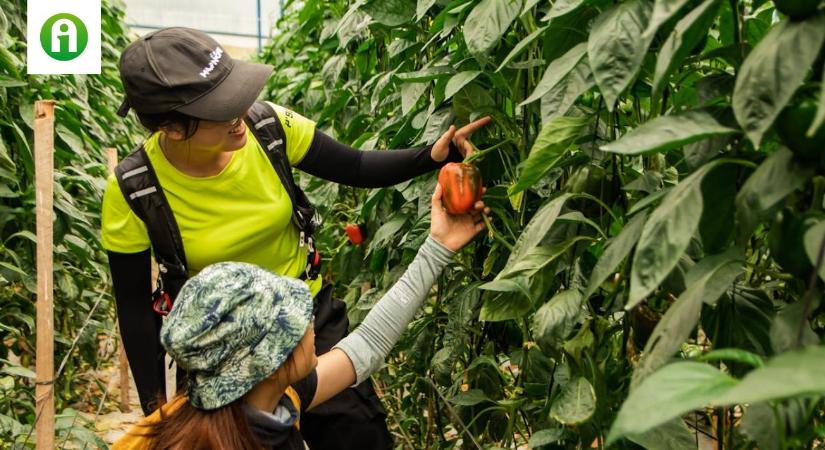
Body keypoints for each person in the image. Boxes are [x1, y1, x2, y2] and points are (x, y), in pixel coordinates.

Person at [103, 27, 490, 450]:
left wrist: (432, 158)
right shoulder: (135, 187)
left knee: (355, 432)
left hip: (305, 316)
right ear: (173, 129)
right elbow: (136, 308)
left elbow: (355, 166)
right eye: (223, 107)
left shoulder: (266, 128)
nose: (242, 110)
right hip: (224, 346)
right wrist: (156, 412)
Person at [112, 182, 488, 450]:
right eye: (298, 323)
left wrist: (439, 246)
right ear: (270, 362)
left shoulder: (255, 400)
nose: (313, 325)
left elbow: (368, 344)